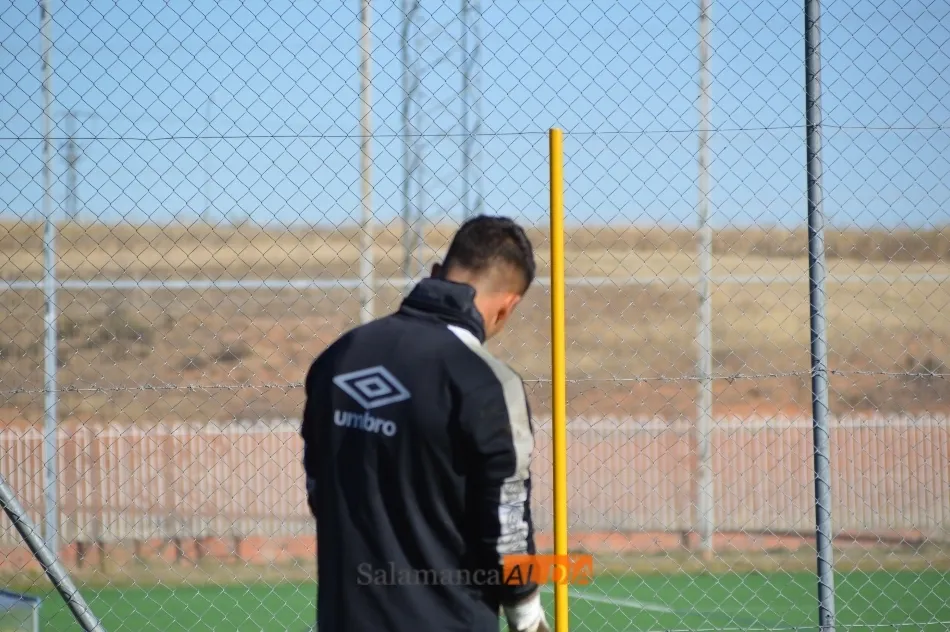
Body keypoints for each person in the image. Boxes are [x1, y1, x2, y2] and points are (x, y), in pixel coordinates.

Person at [300, 215, 550, 632]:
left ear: (435, 273)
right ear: (508, 306)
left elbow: (319, 492)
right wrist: (526, 618)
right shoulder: (488, 384)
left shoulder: (339, 358)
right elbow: (506, 530)